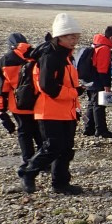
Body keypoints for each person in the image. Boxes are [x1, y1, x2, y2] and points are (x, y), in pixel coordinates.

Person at [20, 13, 84, 195]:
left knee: (65, 149)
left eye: (76, 37)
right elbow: (48, 86)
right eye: (71, 37)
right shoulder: (50, 56)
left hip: (66, 111)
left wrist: (75, 106)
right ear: (60, 36)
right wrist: (74, 93)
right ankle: (28, 172)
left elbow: (66, 84)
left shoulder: (65, 56)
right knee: (53, 146)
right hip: (49, 110)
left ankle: (60, 183)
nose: (75, 40)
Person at [0, 32, 43, 179]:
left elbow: (2, 88)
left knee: (24, 132)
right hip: (38, 102)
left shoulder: (5, 60)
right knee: (39, 131)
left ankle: (28, 160)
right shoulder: (36, 55)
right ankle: (42, 160)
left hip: (18, 104)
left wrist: (1, 110)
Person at [81, 25, 112, 138]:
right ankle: (101, 130)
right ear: (111, 38)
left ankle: (89, 128)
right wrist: (106, 85)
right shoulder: (104, 49)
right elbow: (102, 69)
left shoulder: (96, 45)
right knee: (99, 106)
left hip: (89, 80)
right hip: (97, 80)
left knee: (92, 104)